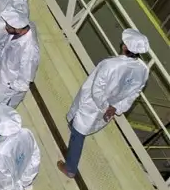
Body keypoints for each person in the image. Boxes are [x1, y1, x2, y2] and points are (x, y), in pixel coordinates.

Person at [58, 30, 150, 179]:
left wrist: (104, 106)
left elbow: (96, 90)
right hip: (110, 107)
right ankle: (73, 128)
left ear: (125, 47)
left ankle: (70, 168)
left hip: (93, 104)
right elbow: (134, 93)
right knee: (81, 125)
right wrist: (116, 108)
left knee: (79, 133)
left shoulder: (110, 64)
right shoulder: (143, 71)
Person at [0, 11, 39, 109]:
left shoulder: (29, 51)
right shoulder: (23, 27)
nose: (6, 27)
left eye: (8, 26)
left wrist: (9, 86)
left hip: (5, 90)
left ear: (18, 30)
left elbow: (24, 82)